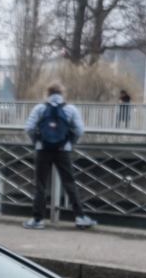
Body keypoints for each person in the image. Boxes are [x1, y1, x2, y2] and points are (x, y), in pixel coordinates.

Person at [23, 82, 96, 230]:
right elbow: (79, 130)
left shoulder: (40, 108)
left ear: (47, 94)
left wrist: (37, 141)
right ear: (62, 94)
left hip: (42, 150)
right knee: (69, 183)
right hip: (63, 150)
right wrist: (69, 143)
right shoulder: (70, 109)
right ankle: (80, 217)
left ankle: (38, 220)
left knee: (41, 185)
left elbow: (29, 128)